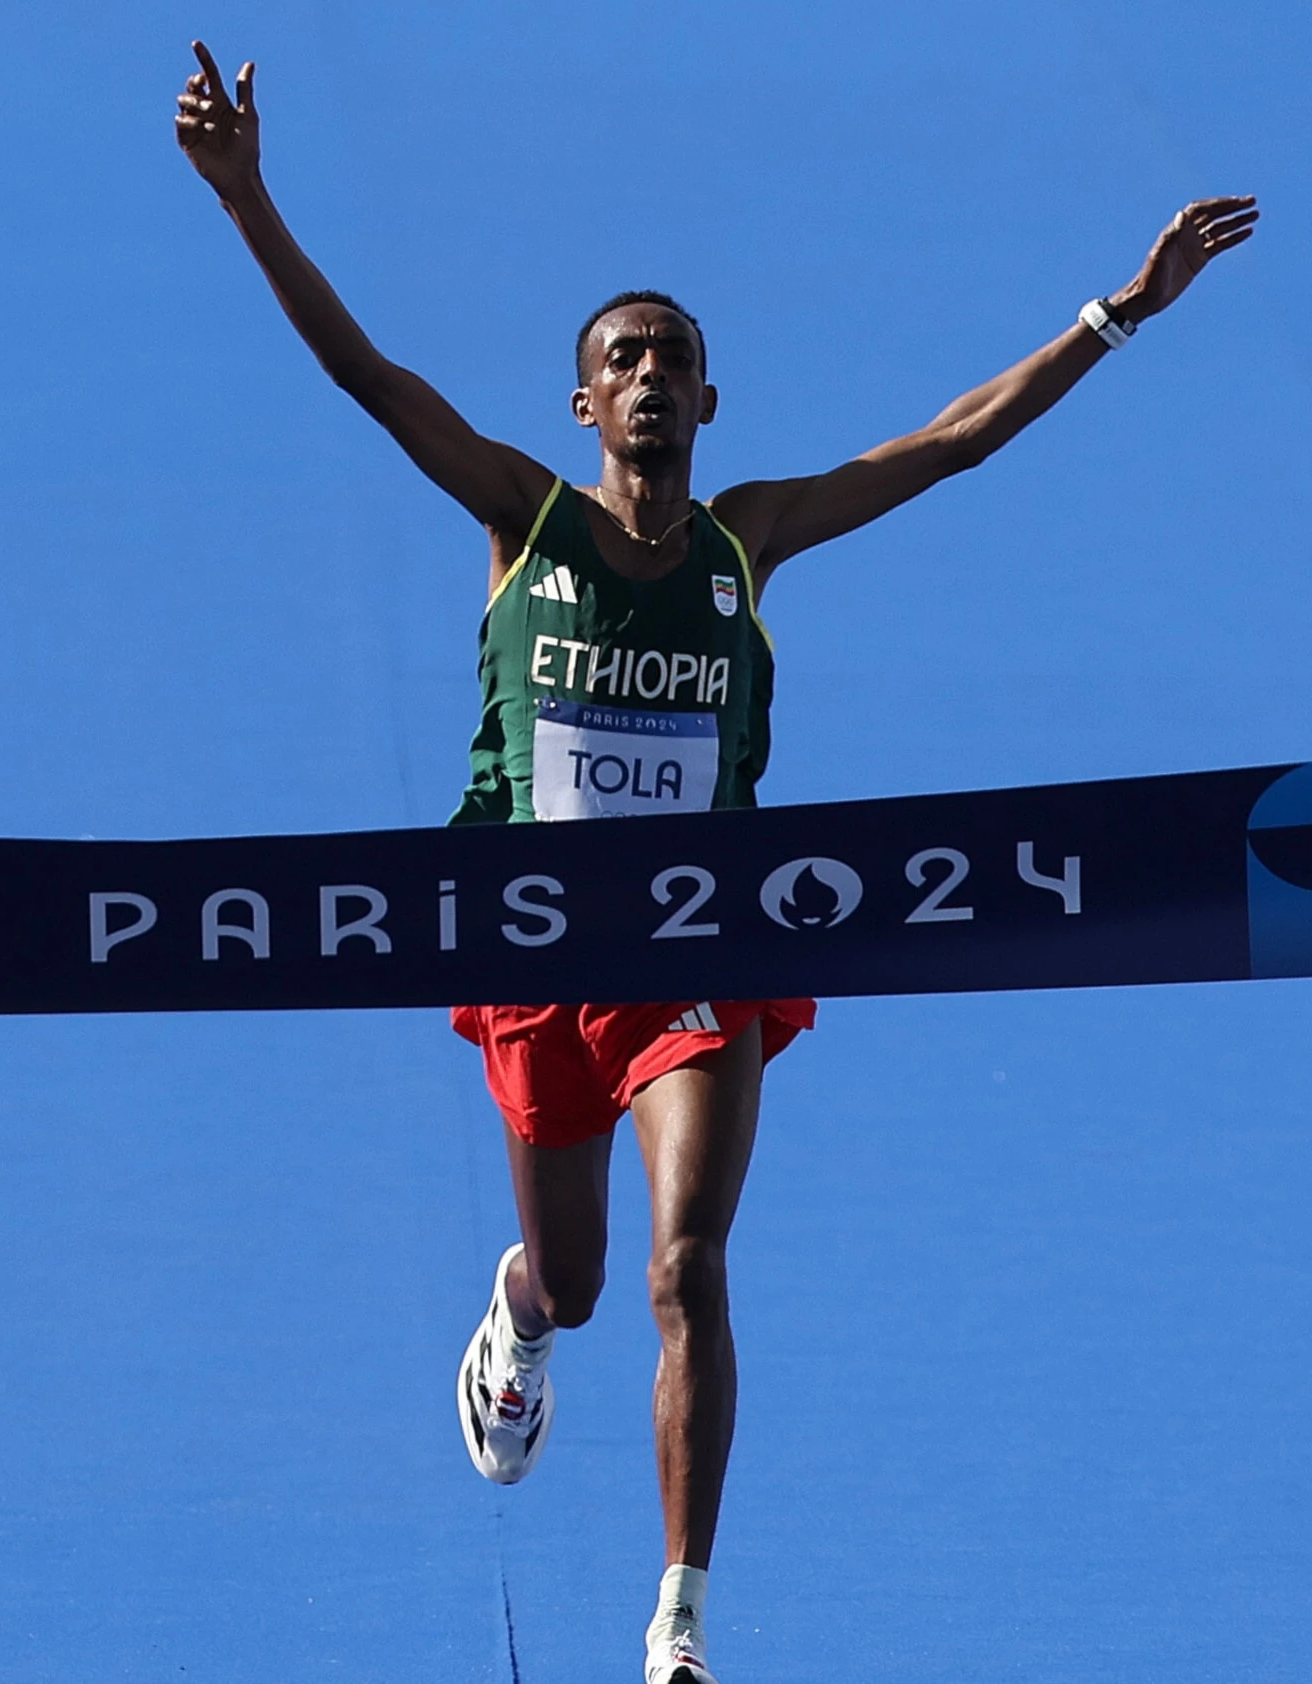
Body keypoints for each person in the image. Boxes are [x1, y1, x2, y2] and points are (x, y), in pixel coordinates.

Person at [174, 41, 1253, 1684]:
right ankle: (518, 1315)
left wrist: (1119, 309)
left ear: (709, 398)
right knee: (590, 1282)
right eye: (624, 359)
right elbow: (365, 377)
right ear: (586, 404)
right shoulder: (520, 517)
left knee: (689, 1264)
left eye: (676, 356)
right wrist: (251, 200)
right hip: (537, 949)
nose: (653, 376)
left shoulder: (751, 538)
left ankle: (676, 1624)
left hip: (702, 943)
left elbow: (951, 441)